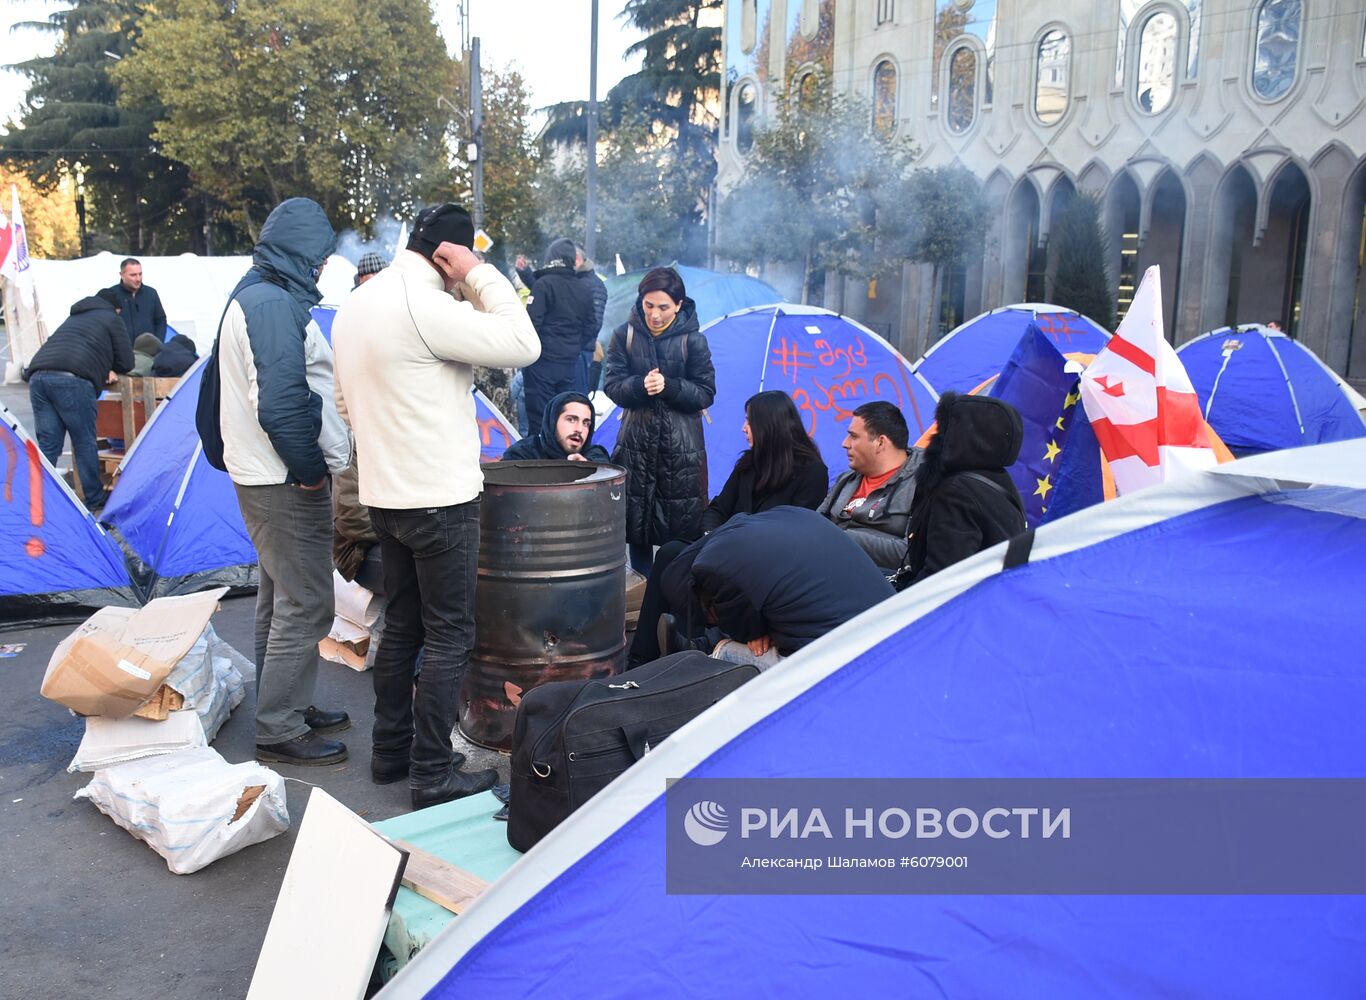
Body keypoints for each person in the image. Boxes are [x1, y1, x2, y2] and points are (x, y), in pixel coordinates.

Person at [332, 202, 540, 810]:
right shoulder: (427, 306)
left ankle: (391, 752)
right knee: (450, 636)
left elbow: (346, 408)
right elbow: (521, 342)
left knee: (403, 626)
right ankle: (431, 773)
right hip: (439, 500)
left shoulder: (358, 304)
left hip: (385, 497)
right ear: (448, 255)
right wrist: (479, 273)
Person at [212, 197, 353, 767]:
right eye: (318, 257)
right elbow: (284, 405)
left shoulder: (258, 292)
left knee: (279, 597)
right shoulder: (271, 305)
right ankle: (279, 727)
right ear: (299, 251)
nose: (322, 268)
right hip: (282, 478)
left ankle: (287, 703)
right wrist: (312, 474)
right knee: (309, 602)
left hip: (262, 474)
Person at [627, 390, 829, 667]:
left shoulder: (811, 472)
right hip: (724, 547)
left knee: (697, 570)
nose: (743, 428)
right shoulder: (748, 464)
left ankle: (690, 652)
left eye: (749, 421)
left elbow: (796, 529)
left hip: (768, 562)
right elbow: (717, 509)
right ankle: (641, 658)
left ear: (769, 425)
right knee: (670, 553)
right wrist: (713, 537)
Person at [660, 506, 894, 671]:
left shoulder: (718, 568)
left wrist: (753, 633)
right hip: (895, 631)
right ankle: (698, 647)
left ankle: (704, 654)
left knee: (732, 648)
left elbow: (755, 625)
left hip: (846, 663)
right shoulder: (784, 517)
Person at [604, 266, 716, 573]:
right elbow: (612, 385)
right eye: (649, 305)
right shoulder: (623, 336)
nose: (655, 314)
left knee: (678, 532)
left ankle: (673, 604)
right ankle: (642, 602)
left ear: (679, 305)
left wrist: (671, 386)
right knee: (637, 529)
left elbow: (706, 393)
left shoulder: (693, 341)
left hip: (681, 451)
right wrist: (640, 386)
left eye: (663, 307)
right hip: (636, 445)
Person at [900, 392, 1026, 586]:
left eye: (943, 432)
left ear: (960, 437)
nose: (935, 440)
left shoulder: (955, 492)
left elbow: (942, 579)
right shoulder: (998, 480)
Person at [24, 293, 133, 511]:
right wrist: (109, 368)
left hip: (38, 376)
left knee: (48, 445)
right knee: (84, 442)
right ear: (116, 308)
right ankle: (94, 499)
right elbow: (126, 360)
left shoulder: (74, 318)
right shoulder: (111, 317)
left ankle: (30, 498)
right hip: (73, 380)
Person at [817, 401, 921, 570]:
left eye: (854, 436)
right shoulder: (846, 479)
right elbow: (817, 524)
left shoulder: (921, 484)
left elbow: (911, 552)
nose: (845, 443)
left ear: (880, 442)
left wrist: (842, 538)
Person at [522, 238, 598, 424]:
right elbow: (592, 326)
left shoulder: (543, 285)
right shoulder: (584, 288)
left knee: (540, 419)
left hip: (542, 363)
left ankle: (539, 452)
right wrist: (573, 346)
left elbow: (531, 324)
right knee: (563, 417)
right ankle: (560, 453)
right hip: (569, 363)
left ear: (551, 258)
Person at [502, 391, 609, 463]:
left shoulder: (594, 455)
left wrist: (586, 468)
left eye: (586, 424)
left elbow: (602, 465)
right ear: (553, 421)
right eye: (571, 419)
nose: (579, 429)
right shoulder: (523, 455)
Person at [103, 257, 167, 351]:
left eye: (140, 274)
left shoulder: (151, 293)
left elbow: (161, 320)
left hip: (149, 354)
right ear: (122, 275)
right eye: (133, 275)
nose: (138, 279)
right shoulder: (111, 295)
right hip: (121, 354)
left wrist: (158, 343)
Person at [575, 244, 608, 393]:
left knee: (577, 395)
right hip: (574, 349)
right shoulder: (574, 280)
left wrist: (574, 341)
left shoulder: (593, 284)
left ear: (578, 259)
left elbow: (594, 323)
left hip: (582, 351)